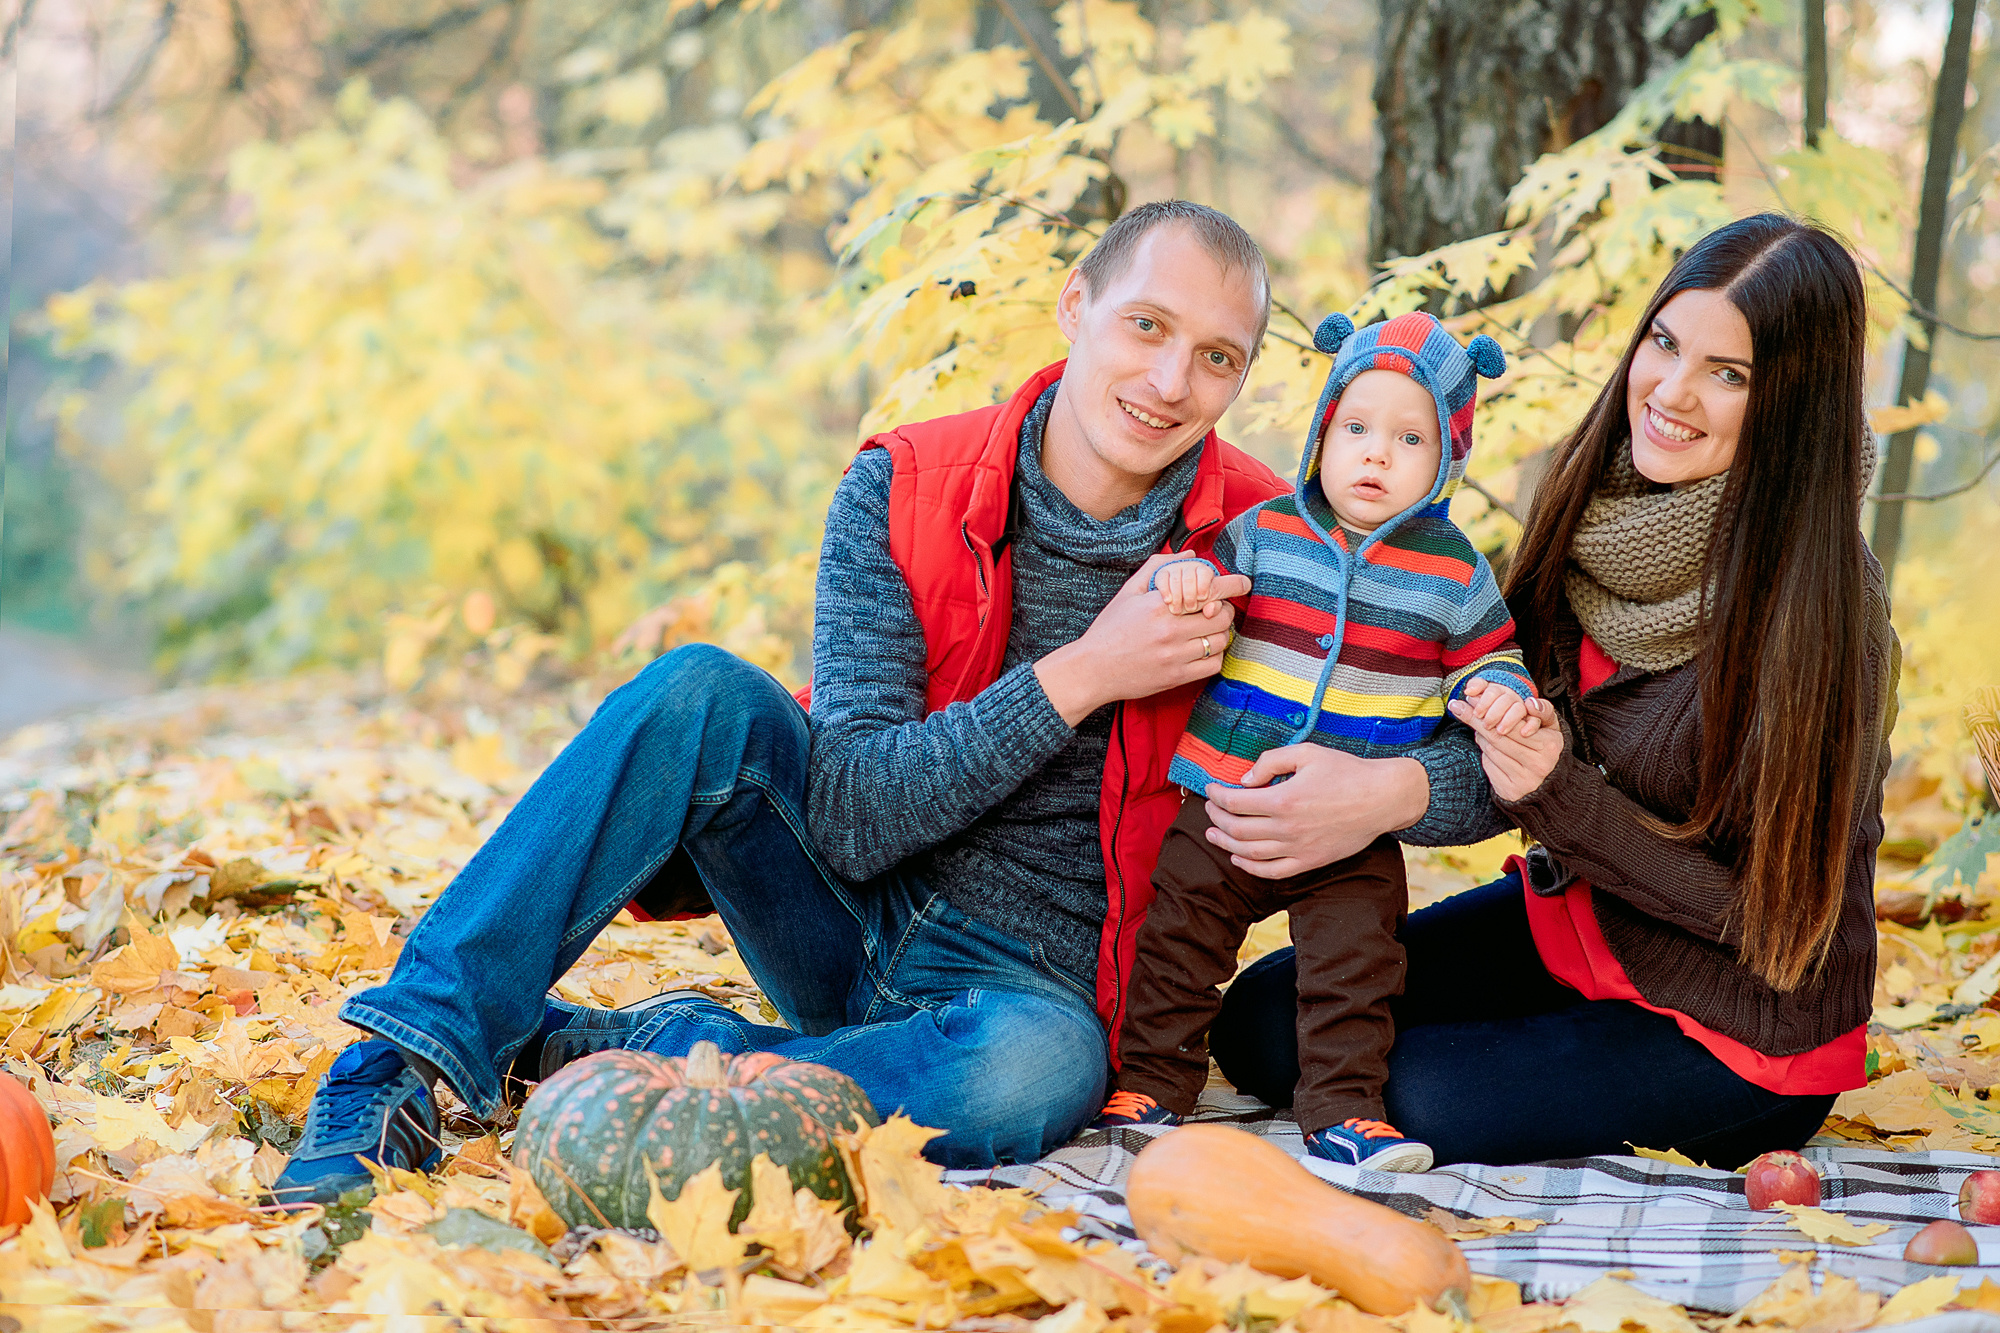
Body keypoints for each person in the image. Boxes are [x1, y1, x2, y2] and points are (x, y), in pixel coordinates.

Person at [272, 200, 1509, 1205]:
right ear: (1074, 309)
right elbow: (854, 815)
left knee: (1039, 1076)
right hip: (840, 903)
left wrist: (1389, 786)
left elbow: (1486, 756)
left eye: (1216, 356)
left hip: (1030, 991)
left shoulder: (1269, 543)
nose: (1169, 378)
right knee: (698, 689)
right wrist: (1088, 671)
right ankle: (397, 1061)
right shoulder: (906, 484)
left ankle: (617, 1052)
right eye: (1144, 325)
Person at [1209, 214, 1899, 1169]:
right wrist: (1369, 788)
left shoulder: (1825, 607)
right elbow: (1495, 725)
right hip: (1578, 927)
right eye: (1665, 342)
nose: (1672, 391)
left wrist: (1557, 792)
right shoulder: (1595, 505)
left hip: (1738, 1023)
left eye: (1729, 374)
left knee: (1415, 1092)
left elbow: (1772, 924)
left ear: (1793, 403)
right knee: (1264, 1025)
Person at [1090, 311, 1539, 1172]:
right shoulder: (1267, 530)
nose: (1376, 454)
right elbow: (1203, 585)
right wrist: (1183, 578)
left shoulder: (1456, 574)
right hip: (1230, 793)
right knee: (1178, 934)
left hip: (1353, 825)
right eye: (1356, 428)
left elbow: (1490, 655)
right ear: (1322, 432)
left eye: (1410, 438)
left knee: (1356, 965)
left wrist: (1501, 691)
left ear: (1448, 456)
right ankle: (1154, 1079)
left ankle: (1343, 1108)